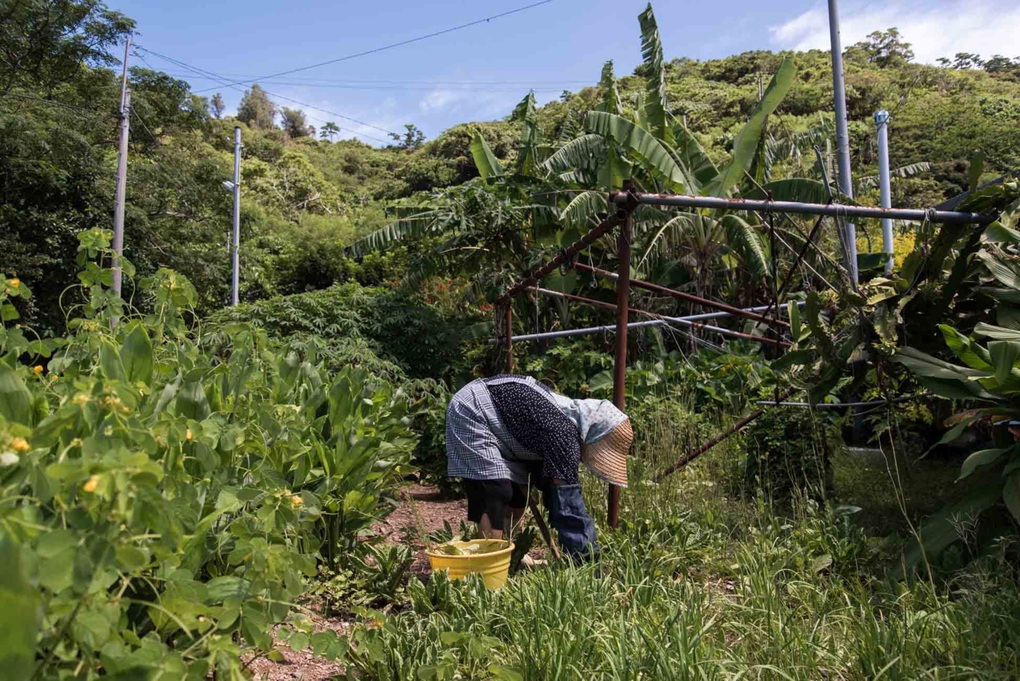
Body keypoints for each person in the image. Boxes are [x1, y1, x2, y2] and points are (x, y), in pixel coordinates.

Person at [445, 374, 633, 558]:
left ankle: (509, 555)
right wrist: (583, 553)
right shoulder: (562, 434)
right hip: (472, 411)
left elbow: (553, 487)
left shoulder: (563, 421)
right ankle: (488, 564)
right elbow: (567, 499)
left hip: (507, 428)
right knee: (496, 490)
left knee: (518, 498)